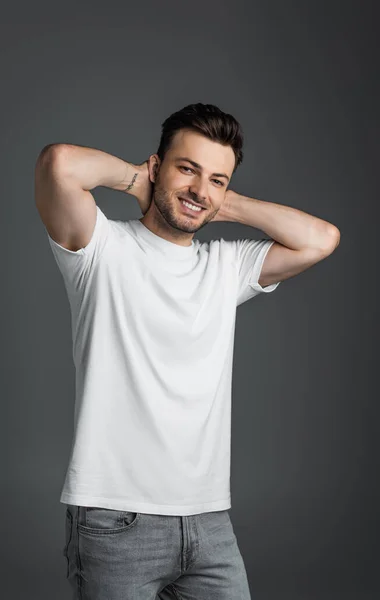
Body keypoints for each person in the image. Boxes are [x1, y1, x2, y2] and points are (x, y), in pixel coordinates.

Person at [35, 103, 340, 599]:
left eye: (217, 178)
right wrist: (138, 180)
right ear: (157, 167)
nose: (200, 189)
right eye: (187, 169)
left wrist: (223, 201)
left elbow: (321, 239)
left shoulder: (226, 267)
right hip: (115, 519)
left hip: (208, 521)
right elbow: (59, 164)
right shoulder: (100, 249)